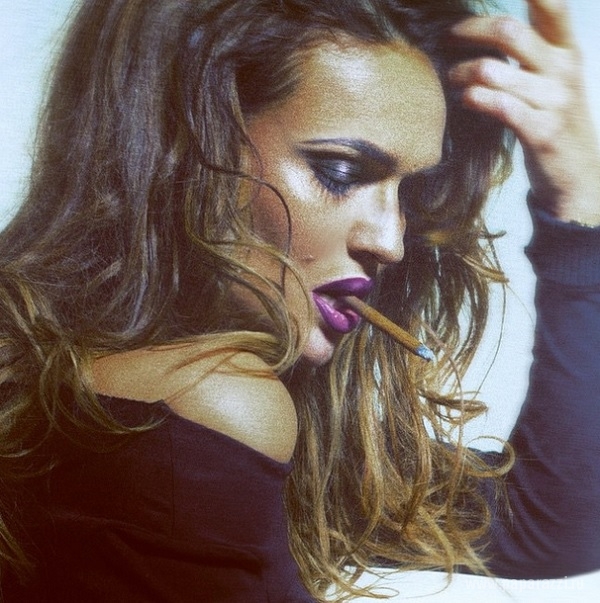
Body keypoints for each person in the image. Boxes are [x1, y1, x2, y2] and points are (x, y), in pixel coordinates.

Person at [0, 0, 598, 601]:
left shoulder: (70, 392)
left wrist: (580, 202)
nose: (389, 241)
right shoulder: (212, 400)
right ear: (179, 139)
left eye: (410, 191)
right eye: (340, 171)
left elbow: (548, 526)